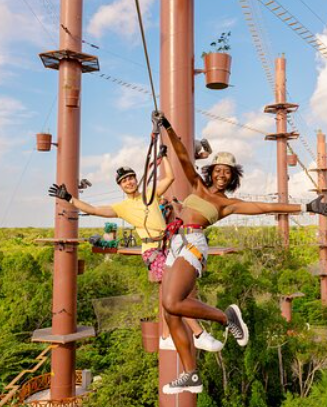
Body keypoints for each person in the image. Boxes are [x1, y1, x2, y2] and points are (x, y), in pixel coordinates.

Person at [153, 111, 327, 395]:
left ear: (233, 177)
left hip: (192, 245)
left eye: (228, 172)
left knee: (172, 301)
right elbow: (182, 156)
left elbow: (265, 208)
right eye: (219, 170)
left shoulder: (227, 204)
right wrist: (166, 126)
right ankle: (191, 374)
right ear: (211, 171)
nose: (223, 175)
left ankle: (227, 318)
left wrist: (306, 208)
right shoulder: (196, 185)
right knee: (170, 311)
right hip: (176, 243)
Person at [48, 148, 223, 353]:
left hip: (170, 246)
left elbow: (171, 177)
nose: (129, 182)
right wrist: (69, 199)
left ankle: (166, 337)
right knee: (174, 294)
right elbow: (93, 210)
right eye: (124, 181)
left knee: (172, 293)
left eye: (131, 178)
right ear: (121, 186)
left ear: (135, 180)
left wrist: (164, 157)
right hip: (152, 251)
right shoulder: (122, 207)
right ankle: (199, 334)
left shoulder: (149, 194)